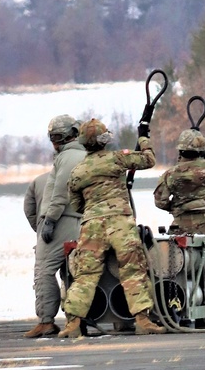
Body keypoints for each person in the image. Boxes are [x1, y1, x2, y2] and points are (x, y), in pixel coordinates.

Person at [60, 117, 163, 339]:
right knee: (133, 270)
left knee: (85, 275)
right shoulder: (117, 159)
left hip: (92, 225)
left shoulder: (78, 172)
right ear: (105, 140)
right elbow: (148, 160)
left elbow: (77, 204)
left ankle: (73, 324)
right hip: (120, 223)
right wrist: (144, 138)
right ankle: (143, 320)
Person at [22, 114, 85, 338]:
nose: (55, 141)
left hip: (62, 220)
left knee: (45, 270)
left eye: (57, 137)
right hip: (82, 220)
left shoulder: (67, 158)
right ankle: (78, 318)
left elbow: (59, 193)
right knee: (78, 272)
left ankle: (46, 320)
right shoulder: (88, 155)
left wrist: (48, 221)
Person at [153, 129, 205, 235]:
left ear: (180, 149)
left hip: (180, 225)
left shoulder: (170, 174)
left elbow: (160, 202)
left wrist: (177, 207)